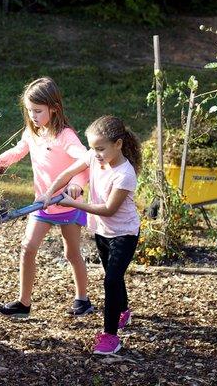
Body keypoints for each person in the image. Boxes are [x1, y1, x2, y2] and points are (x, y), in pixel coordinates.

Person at [39, 115, 142, 354]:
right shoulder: (95, 158)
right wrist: (50, 192)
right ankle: (123, 311)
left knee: (111, 280)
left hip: (124, 234)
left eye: (100, 148)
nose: (95, 154)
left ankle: (110, 337)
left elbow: (108, 209)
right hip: (103, 232)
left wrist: (72, 203)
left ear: (118, 144)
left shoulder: (125, 174)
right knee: (113, 276)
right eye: (93, 148)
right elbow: (66, 173)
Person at [0, 76, 93, 318]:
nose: (33, 116)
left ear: (54, 108)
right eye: (29, 110)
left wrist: (77, 185)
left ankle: (83, 299)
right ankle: (23, 303)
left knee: (71, 253)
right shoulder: (33, 132)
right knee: (28, 248)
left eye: (38, 111)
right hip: (43, 204)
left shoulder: (66, 136)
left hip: (66, 204)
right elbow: (18, 151)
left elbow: (86, 160)